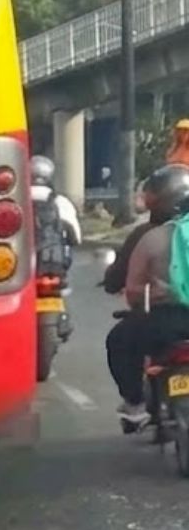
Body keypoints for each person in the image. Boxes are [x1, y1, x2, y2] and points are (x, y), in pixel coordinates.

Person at [106, 165, 189, 422]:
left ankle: (136, 404)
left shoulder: (150, 237)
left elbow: (132, 290)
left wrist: (148, 299)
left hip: (164, 324)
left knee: (118, 341)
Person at [29, 155, 82, 279]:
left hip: (20, 272)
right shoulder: (61, 202)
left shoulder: (14, 202)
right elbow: (76, 239)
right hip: (54, 267)